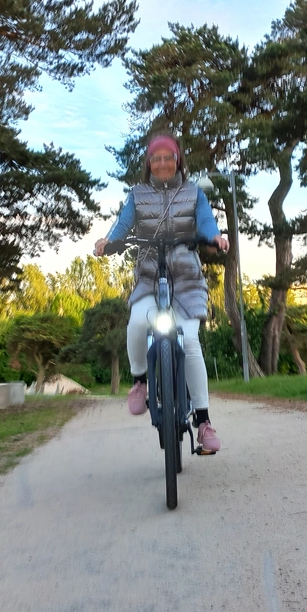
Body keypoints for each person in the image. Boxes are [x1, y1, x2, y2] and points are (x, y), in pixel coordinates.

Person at [94, 134, 229, 452]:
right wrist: (109, 241)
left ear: (178, 161)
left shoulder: (194, 192)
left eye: (169, 157)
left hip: (186, 280)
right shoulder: (137, 194)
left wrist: (214, 237)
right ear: (149, 163)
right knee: (138, 323)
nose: (163, 163)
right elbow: (123, 224)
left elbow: (205, 221)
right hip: (149, 277)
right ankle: (140, 381)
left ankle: (203, 421)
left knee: (190, 340)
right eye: (157, 158)